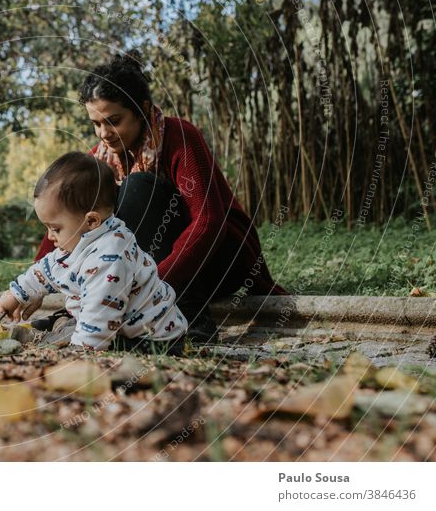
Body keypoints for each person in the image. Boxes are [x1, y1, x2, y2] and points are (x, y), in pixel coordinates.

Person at [34, 52, 287, 342]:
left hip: (219, 259)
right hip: (150, 273)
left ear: (141, 110)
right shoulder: (99, 160)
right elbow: (64, 214)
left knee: (139, 187)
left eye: (114, 120)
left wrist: (151, 287)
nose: (104, 133)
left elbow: (208, 222)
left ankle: (189, 313)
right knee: (102, 215)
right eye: (96, 123)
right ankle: (97, 318)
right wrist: (33, 284)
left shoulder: (180, 137)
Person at [0, 152, 188, 352]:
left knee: (90, 336)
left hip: (153, 338)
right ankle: (62, 329)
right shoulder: (83, 239)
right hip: (114, 322)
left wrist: (80, 351)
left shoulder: (109, 257)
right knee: (80, 327)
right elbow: (48, 268)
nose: (50, 236)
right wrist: (17, 294)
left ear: (91, 221)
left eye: (55, 228)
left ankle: (64, 333)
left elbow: (101, 312)